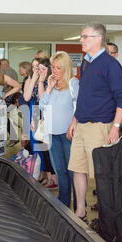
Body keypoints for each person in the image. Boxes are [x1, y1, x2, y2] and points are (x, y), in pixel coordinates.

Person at [67, 22, 122, 223]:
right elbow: (83, 95)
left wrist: (115, 127)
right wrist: (75, 120)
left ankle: (106, 218)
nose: (81, 40)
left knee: (100, 175)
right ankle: (80, 212)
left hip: (100, 126)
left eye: (85, 37)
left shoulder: (110, 65)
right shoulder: (86, 62)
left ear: (98, 39)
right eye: (81, 36)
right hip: (82, 125)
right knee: (78, 169)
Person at [40, 51, 78, 209]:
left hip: (68, 134)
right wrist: (48, 88)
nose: (54, 70)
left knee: (72, 172)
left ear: (66, 68)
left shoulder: (73, 83)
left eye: (58, 67)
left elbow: (80, 107)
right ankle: (63, 203)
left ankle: (78, 205)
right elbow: (42, 106)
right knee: (60, 171)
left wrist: (73, 125)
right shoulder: (52, 85)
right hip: (52, 134)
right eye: (52, 67)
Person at [23, 57, 57, 188]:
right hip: (37, 114)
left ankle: (53, 179)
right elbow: (29, 98)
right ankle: (48, 177)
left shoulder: (49, 82)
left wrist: (41, 81)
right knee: (41, 148)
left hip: (47, 115)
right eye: (36, 68)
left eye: (42, 68)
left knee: (48, 150)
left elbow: (43, 100)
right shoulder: (36, 81)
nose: (38, 70)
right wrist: (33, 119)